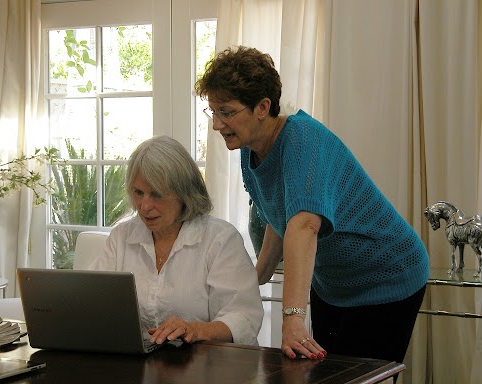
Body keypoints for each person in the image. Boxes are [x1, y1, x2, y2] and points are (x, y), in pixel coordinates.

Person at [195, 46, 429, 364]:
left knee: (354, 376)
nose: (217, 124)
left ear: (262, 107)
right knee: (320, 371)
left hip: (386, 273)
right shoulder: (251, 152)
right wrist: (253, 278)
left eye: (227, 112)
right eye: (213, 112)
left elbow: (303, 226)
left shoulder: (303, 140)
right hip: (334, 283)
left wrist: (292, 319)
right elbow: (280, 220)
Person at [88, 135, 264, 346]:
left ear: (184, 193)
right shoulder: (121, 236)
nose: (144, 206)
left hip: (206, 368)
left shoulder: (220, 239)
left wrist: (196, 329)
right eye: (138, 193)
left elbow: (244, 318)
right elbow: (92, 301)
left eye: (156, 194)